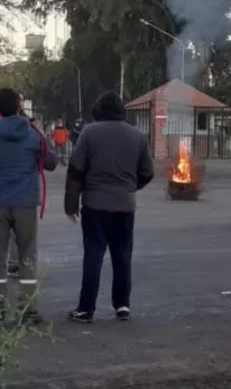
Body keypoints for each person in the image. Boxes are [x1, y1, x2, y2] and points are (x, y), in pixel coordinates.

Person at [65, 91, 154, 323]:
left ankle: (86, 309)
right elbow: (147, 172)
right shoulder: (138, 136)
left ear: (99, 110)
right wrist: (129, 188)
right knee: (123, 256)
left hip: (95, 205)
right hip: (125, 206)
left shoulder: (89, 133)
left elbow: (75, 170)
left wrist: (71, 204)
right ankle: (122, 305)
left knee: (93, 256)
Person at [0, 88, 56, 324]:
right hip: (25, 201)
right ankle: (28, 309)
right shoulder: (33, 134)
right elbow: (50, 162)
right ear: (19, 107)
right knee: (27, 255)